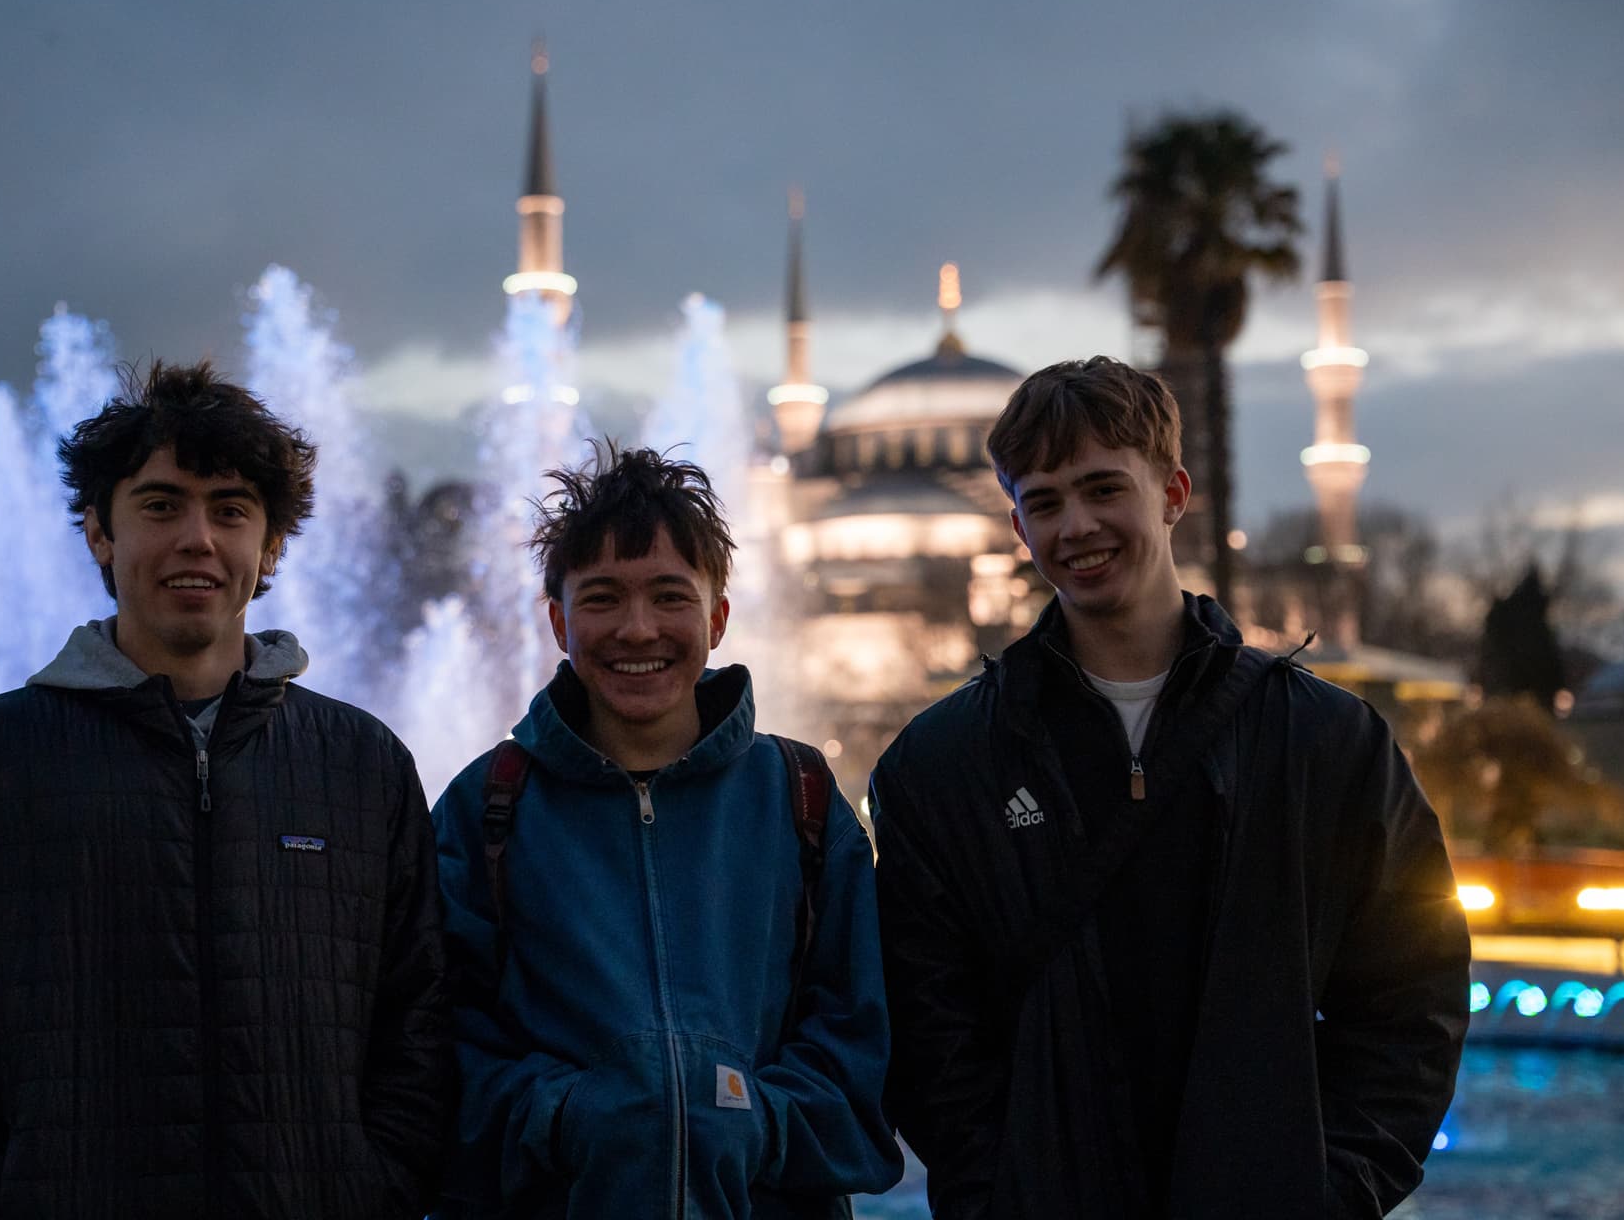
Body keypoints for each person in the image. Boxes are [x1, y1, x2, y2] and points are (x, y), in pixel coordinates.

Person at [0, 360, 450, 1218]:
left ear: (271, 544)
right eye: (161, 505)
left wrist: (376, 1186)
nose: (196, 539)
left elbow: (421, 1016)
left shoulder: (362, 764)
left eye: (231, 510)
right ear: (100, 531)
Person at [873, 357, 1470, 1218]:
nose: (1076, 526)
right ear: (1017, 524)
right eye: (1044, 502)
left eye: (1103, 489)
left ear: (1173, 493)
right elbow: (928, 1029)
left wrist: (1331, 1190)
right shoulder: (944, 766)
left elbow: (1413, 992)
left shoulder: (1324, 741)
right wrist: (999, 1187)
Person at [431, 442, 902, 1219]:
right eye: (604, 597)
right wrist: (571, 1115)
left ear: (717, 618)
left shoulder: (800, 797)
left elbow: (861, 1039)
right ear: (558, 622)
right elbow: (443, 1046)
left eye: (670, 597)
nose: (638, 629)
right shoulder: (487, 805)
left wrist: (753, 1125)